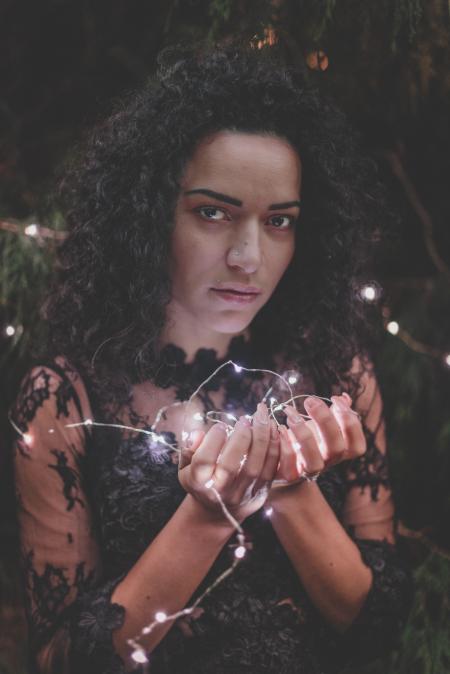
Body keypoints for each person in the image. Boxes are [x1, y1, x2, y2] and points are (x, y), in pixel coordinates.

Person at [11, 44, 413, 674]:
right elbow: (63, 661)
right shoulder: (65, 400)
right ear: (146, 215)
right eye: (213, 213)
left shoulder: (339, 374)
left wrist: (292, 487)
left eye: (279, 221)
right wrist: (206, 516)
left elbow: (374, 633)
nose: (248, 257)